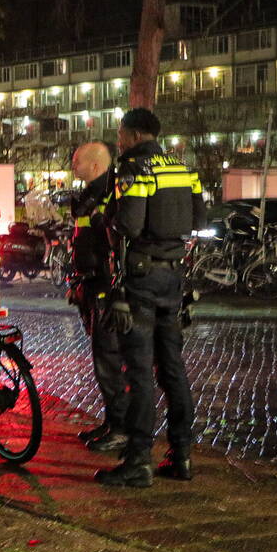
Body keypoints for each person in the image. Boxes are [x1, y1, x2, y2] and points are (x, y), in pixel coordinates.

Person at [96, 108, 206, 488]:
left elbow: (128, 224)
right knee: (172, 368)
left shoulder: (134, 169)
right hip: (173, 276)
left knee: (139, 371)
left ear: (132, 134)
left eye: (121, 133)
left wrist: (105, 218)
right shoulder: (183, 169)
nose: (119, 140)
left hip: (140, 278)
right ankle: (181, 455)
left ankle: (138, 461)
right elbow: (199, 219)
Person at [68, 142, 128, 453]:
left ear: (94, 166)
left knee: (109, 359)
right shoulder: (91, 194)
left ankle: (121, 427)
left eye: (77, 161)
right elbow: (80, 241)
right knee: (102, 359)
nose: (72, 165)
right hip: (91, 284)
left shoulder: (110, 195)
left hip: (105, 285)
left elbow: (110, 243)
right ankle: (112, 422)